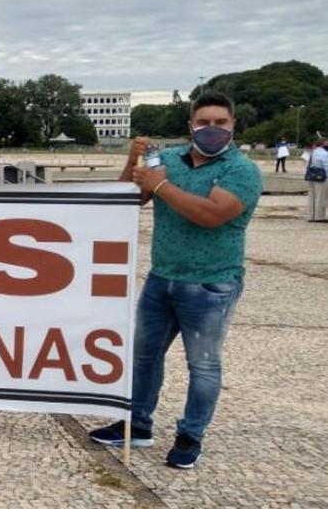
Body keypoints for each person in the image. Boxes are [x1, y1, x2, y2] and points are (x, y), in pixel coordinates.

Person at [90, 91, 261, 470]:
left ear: (233, 126)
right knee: (144, 357)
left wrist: (162, 185)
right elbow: (131, 198)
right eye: (204, 122)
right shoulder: (166, 159)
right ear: (191, 126)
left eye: (220, 123)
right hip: (161, 277)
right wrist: (133, 162)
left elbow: (212, 214)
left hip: (211, 283)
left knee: (202, 365)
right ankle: (137, 424)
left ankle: (190, 434)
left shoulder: (242, 170)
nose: (211, 129)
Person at [308, 140, 328, 222]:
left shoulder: (314, 152)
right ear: (323, 144)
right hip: (322, 177)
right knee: (321, 197)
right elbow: (326, 166)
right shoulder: (325, 154)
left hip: (312, 176)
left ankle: (311, 216)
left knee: (312, 197)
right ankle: (319, 217)